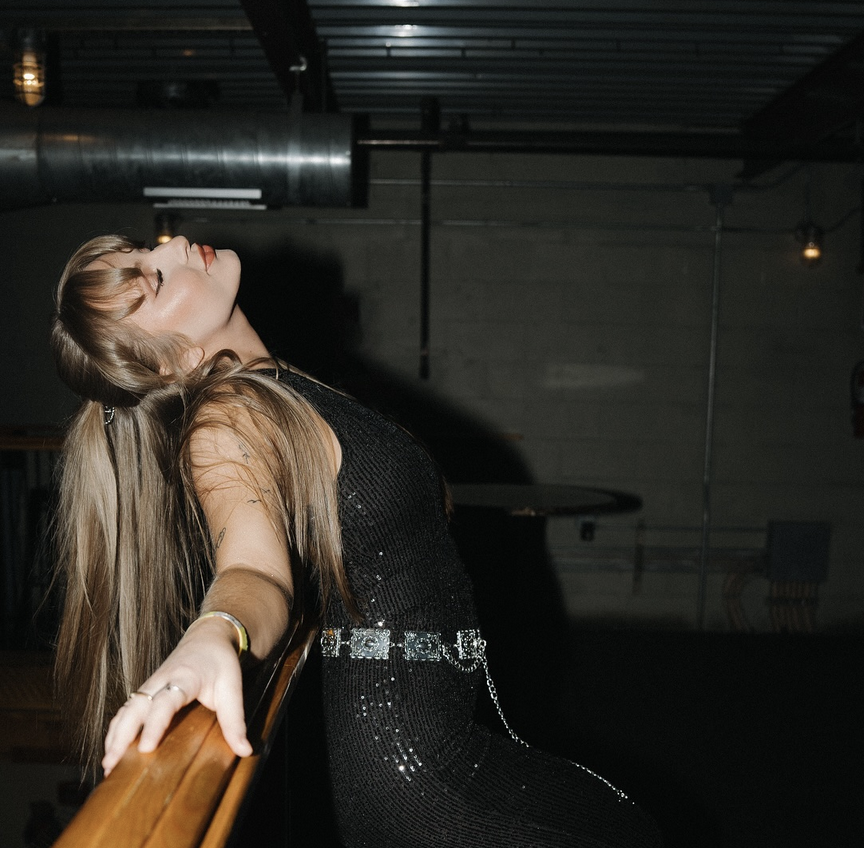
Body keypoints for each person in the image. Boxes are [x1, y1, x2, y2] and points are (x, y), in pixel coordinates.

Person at [50, 234, 662, 847]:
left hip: (439, 734)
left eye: (145, 251)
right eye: (151, 280)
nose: (173, 246)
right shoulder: (229, 418)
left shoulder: (277, 388)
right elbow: (254, 572)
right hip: (414, 769)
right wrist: (219, 630)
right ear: (172, 362)